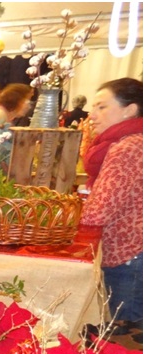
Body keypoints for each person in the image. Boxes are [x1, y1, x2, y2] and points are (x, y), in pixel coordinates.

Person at [81, 78, 143, 328]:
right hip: (134, 249)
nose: (92, 115)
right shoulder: (133, 141)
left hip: (127, 252)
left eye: (101, 107)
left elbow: (98, 212)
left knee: (123, 337)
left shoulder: (128, 147)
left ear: (130, 109)